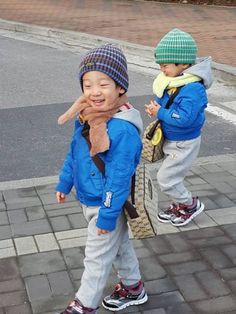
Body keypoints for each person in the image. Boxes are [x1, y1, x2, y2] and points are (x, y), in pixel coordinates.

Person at [55, 43, 148, 314]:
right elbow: (75, 154)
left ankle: (84, 305)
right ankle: (133, 288)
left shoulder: (123, 130)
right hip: (89, 198)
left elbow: (119, 179)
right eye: (87, 84)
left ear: (120, 87)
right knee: (118, 247)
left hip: (107, 205)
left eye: (103, 84)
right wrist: (64, 182)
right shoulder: (87, 118)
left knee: (95, 257)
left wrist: (107, 215)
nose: (94, 92)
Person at [145, 28, 213, 227]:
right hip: (172, 139)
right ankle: (179, 204)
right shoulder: (176, 80)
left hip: (184, 143)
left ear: (183, 64)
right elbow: (165, 100)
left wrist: (161, 113)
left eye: (165, 65)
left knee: (166, 178)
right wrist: (156, 108)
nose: (162, 70)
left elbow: (183, 118)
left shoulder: (193, 89)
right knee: (171, 176)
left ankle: (190, 204)